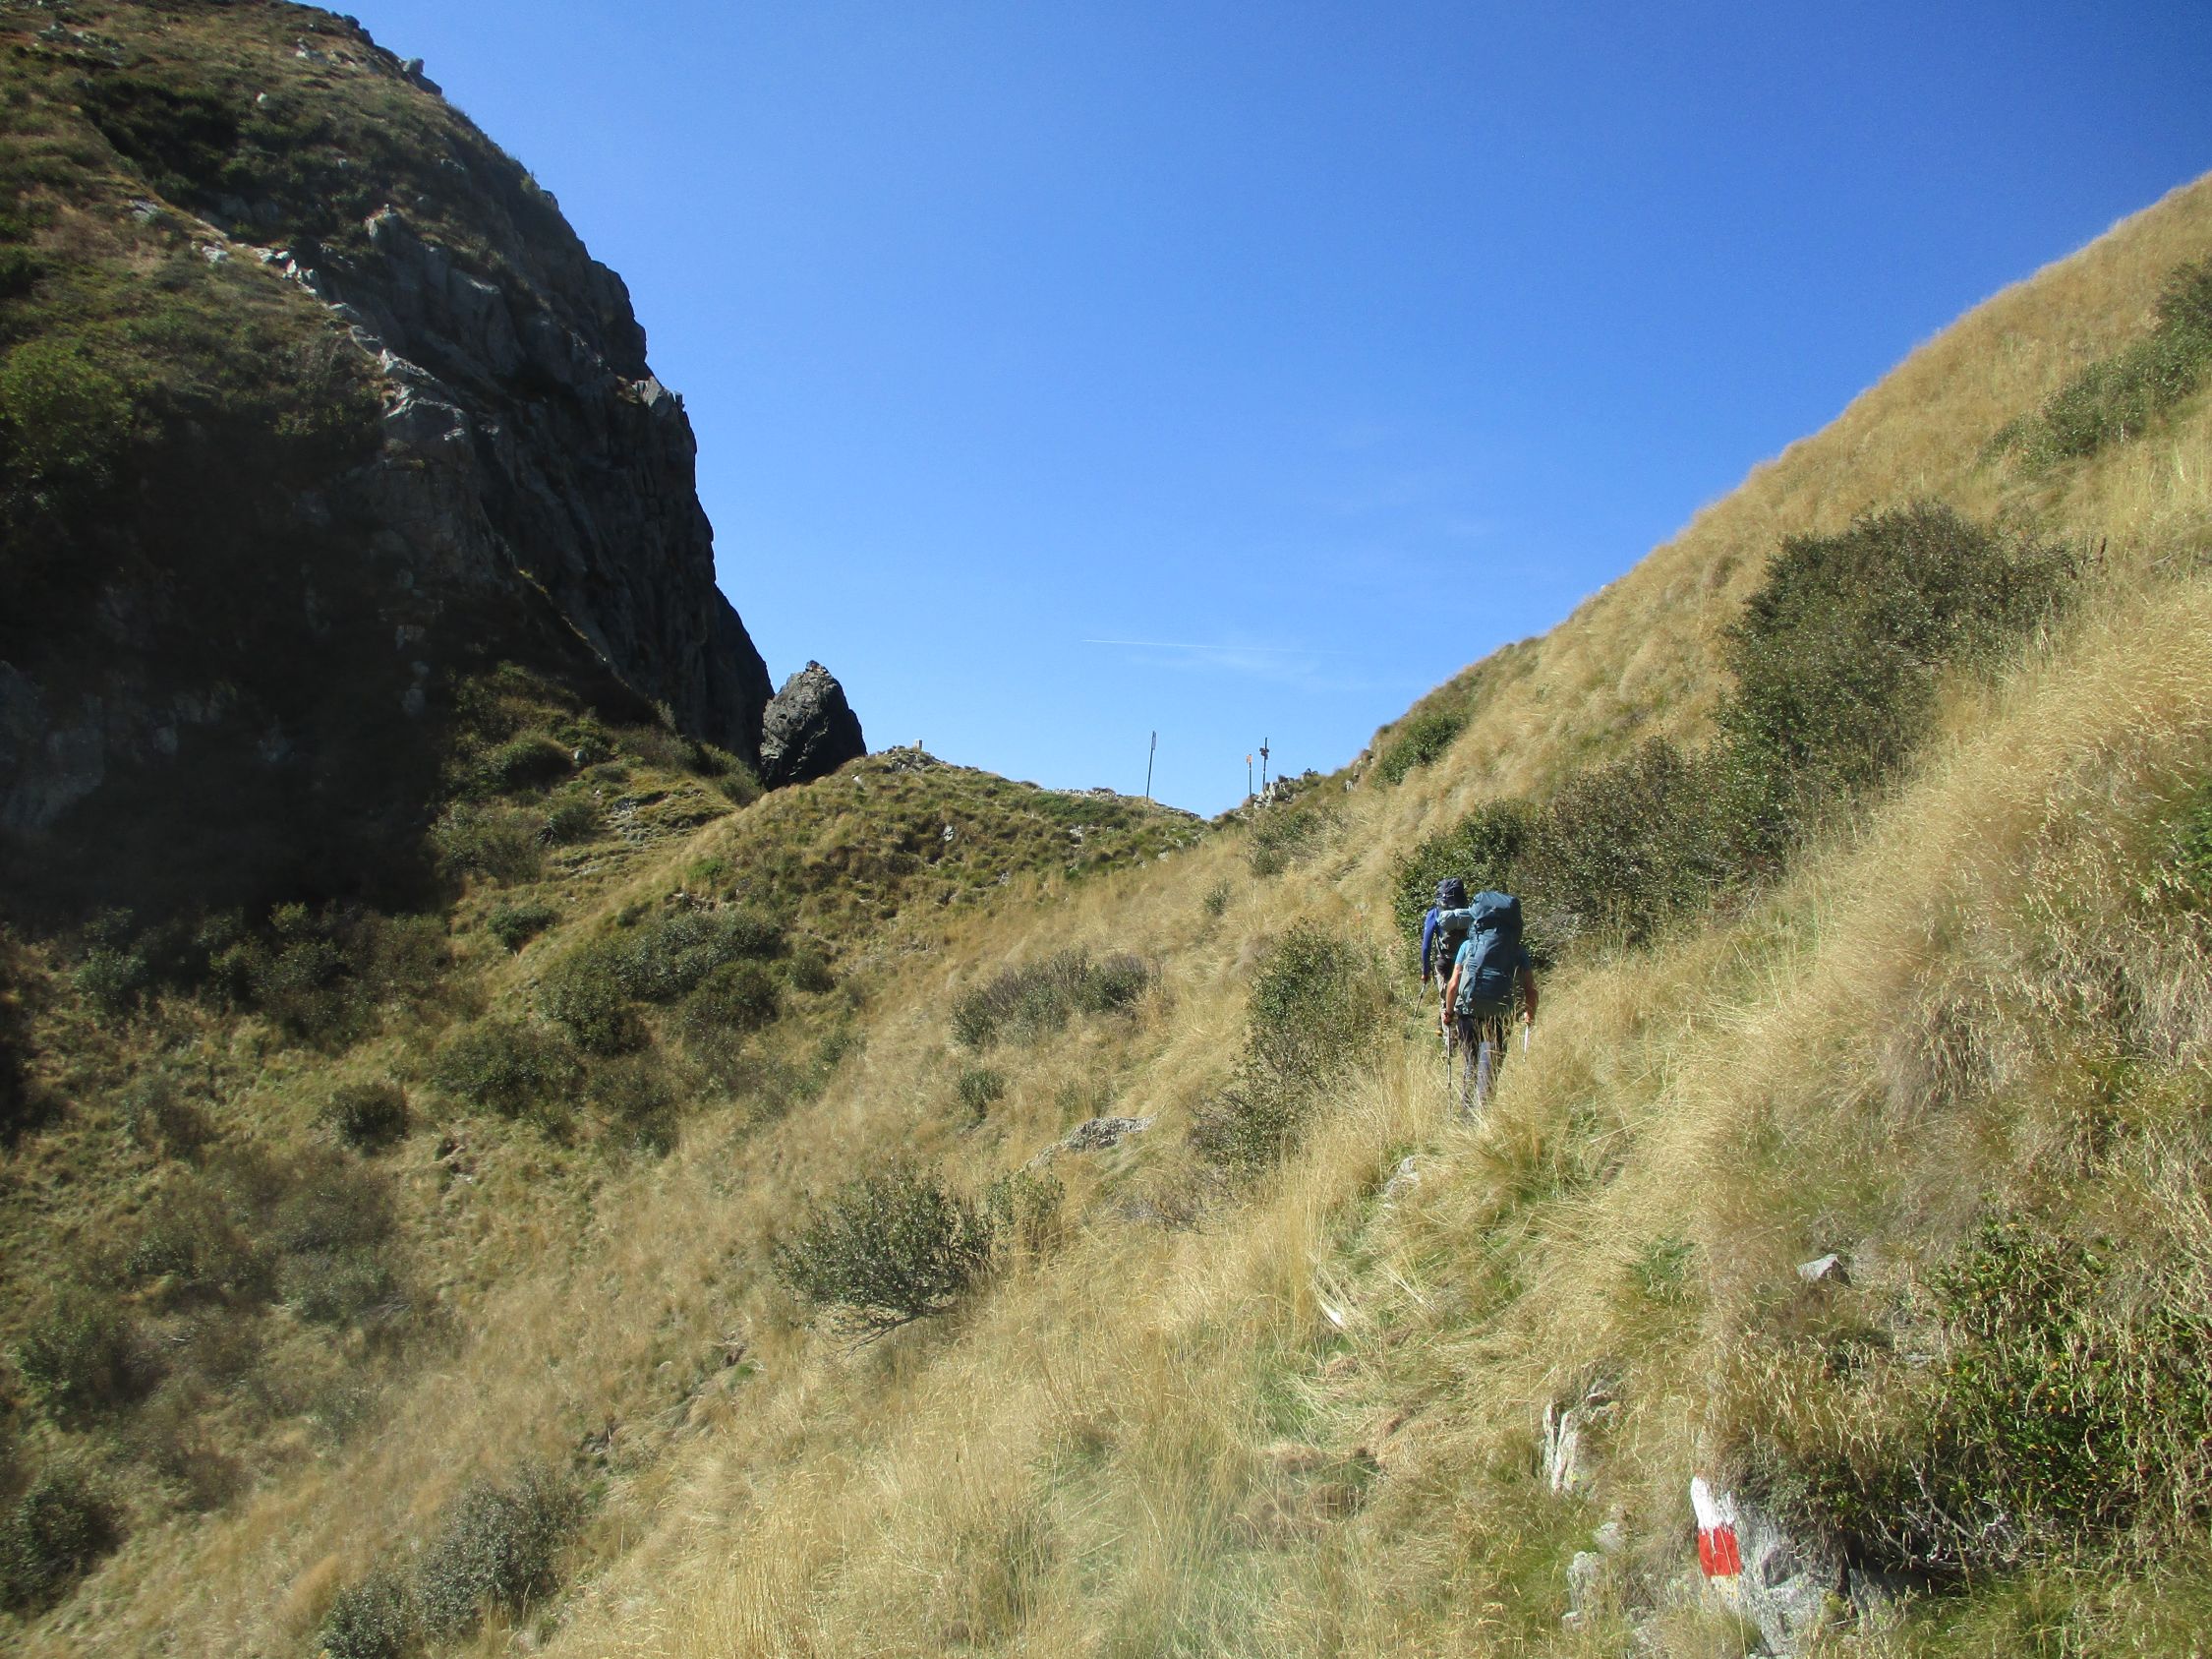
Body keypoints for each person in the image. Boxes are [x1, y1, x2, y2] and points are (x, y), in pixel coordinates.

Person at [1441, 895, 1537, 1113]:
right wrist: (1529, 1013)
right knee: (1492, 1065)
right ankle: (1485, 1115)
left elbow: (1453, 984)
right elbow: (1531, 989)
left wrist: (1448, 1012)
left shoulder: (1468, 946)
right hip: (1501, 1013)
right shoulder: (1518, 951)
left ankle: (1466, 1115)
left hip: (1469, 1010)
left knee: (1471, 1062)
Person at [1420, 876, 1470, 1055]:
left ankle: (1450, 1048)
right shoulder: (1467, 912)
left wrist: (1425, 971)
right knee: (1463, 1000)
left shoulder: (1434, 913)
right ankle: (1465, 1041)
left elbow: (1426, 946)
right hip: (1464, 962)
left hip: (1444, 963)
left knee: (1445, 1001)